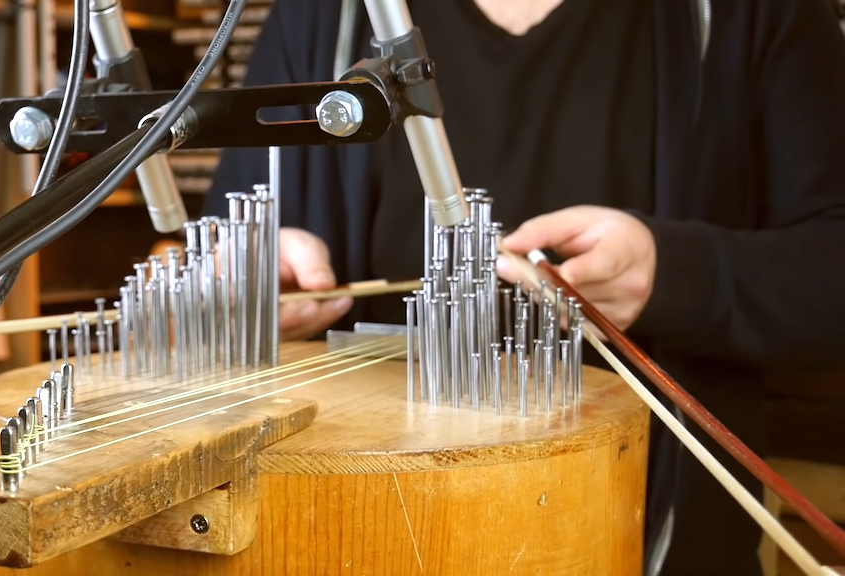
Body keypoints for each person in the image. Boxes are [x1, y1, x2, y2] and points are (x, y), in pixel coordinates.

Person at [204, 0, 845, 573]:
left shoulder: (755, 15)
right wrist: (253, 276)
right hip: (351, 541)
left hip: (658, 549)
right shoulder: (324, 13)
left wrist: (675, 271)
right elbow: (231, 243)